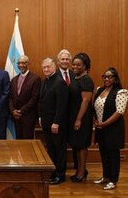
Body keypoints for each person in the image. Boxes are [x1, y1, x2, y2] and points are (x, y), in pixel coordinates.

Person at [93, 67, 128, 190]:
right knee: (104, 153)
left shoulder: (120, 92)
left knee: (113, 155)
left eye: (110, 76)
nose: (106, 79)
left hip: (113, 129)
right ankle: (106, 177)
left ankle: (113, 180)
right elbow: (94, 108)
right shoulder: (99, 90)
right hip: (100, 128)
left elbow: (119, 111)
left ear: (115, 78)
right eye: (105, 76)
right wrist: (96, 122)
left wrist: (105, 123)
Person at [39, 58, 68, 185]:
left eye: (48, 67)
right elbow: (42, 101)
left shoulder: (60, 82)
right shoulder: (45, 81)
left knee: (59, 149)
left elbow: (61, 106)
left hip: (56, 124)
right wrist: (40, 117)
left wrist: (56, 122)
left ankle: (60, 175)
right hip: (46, 122)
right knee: (51, 149)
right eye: (44, 67)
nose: (46, 69)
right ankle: (53, 172)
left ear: (54, 67)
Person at [68, 53, 94, 182]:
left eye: (78, 65)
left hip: (82, 117)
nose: (75, 66)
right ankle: (79, 170)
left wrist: (78, 119)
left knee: (82, 145)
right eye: (73, 64)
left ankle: (82, 171)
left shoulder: (86, 80)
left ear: (85, 66)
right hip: (74, 116)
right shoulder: (75, 78)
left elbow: (85, 101)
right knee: (76, 145)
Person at [9, 55, 41, 139]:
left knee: (28, 142)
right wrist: (13, 111)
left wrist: (21, 111)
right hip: (16, 117)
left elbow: (34, 98)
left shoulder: (35, 78)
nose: (20, 65)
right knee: (19, 141)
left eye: (23, 63)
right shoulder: (14, 80)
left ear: (28, 64)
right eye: (19, 63)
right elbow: (10, 97)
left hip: (28, 117)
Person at [56, 49, 78, 169]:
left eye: (67, 59)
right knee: (60, 144)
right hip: (59, 116)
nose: (65, 61)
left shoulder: (75, 74)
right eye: (62, 59)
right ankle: (61, 169)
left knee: (76, 142)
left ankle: (78, 168)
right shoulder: (54, 75)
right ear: (58, 61)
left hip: (73, 115)